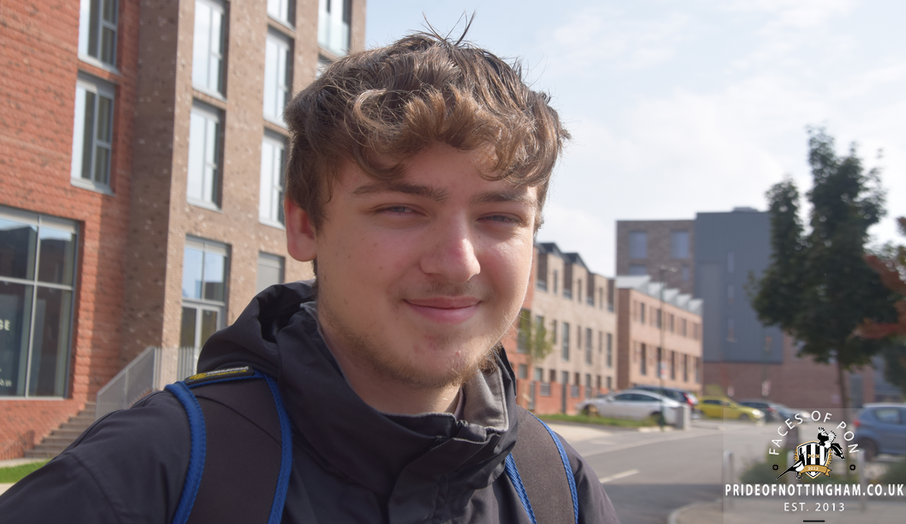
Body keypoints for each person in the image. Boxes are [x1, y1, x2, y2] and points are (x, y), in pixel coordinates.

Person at [0, 31, 621, 523]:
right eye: (401, 209)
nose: (458, 262)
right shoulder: (144, 477)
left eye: (500, 217)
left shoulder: (558, 488)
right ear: (303, 226)